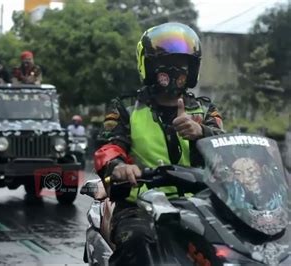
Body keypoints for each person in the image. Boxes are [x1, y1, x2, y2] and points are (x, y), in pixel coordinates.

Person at [93, 22, 225, 265]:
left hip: (203, 202)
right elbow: (108, 147)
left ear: (192, 69)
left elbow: (228, 147)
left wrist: (201, 131)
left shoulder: (205, 109)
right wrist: (119, 166)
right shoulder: (126, 107)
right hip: (140, 205)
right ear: (149, 66)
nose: (175, 70)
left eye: (182, 63)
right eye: (166, 63)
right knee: (136, 241)